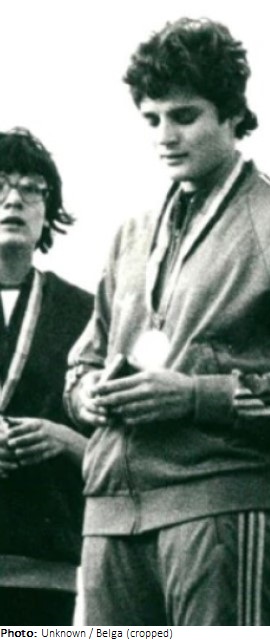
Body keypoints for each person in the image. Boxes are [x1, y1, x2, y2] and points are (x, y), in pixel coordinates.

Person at [65, 17, 270, 626]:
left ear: (232, 114)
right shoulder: (131, 233)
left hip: (221, 506)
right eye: (151, 119)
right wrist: (86, 393)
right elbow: (84, 361)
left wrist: (197, 396)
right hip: (107, 517)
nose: (165, 136)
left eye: (184, 116)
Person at [0, 128, 93, 624]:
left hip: (44, 572)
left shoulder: (87, 315)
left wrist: (65, 440)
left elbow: (126, 453)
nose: (13, 199)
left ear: (48, 208)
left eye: (31, 187)